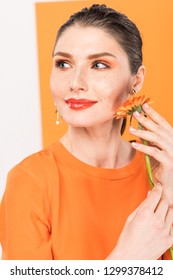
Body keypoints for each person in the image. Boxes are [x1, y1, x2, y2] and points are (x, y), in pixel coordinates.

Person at [0, 4, 173, 260]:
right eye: (63, 64)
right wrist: (127, 259)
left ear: (136, 80)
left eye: (99, 65)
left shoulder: (160, 170)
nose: (75, 83)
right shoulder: (30, 181)